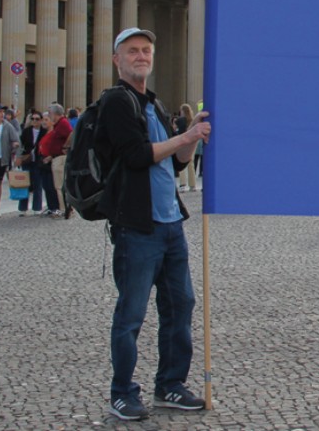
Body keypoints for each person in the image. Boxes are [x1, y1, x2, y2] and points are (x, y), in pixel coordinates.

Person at [95, 28, 210, 421]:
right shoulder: (116, 102)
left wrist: (194, 134)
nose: (141, 56)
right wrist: (185, 137)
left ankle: (170, 385)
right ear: (117, 60)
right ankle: (122, 392)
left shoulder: (154, 104)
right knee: (131, 314)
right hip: (137, 226)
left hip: (171, 223)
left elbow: (177, 163)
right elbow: (137, 156)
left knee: (181, 305)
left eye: (146, 51)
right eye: (132, 51)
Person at [40, 104, 73, 218]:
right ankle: (64, 209)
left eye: (50, 113)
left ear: (55, 113)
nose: (49, 116)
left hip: (60, 158)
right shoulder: (59, 124)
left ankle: (64, 210)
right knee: (59, 185)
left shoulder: (63, 123)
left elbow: (71, 134)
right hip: (55, 157)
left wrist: (65, 146)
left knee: (59, 186)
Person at [0, 103, 21, 218]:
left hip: (0, 159)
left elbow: (16, 139)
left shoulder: (7, 126)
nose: (2, 114)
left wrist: (15, 147)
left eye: (3, 112)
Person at [16, 111, 49, 216]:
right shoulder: (26, 131)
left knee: (37, 185)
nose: (34, 121)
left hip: (38, 161)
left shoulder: (44, 132)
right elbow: (21, 146)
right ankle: (22, 208)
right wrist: (18, 157)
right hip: (27, 160)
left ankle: (37, 207)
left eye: (37, 119)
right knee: (24, 184)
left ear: (40, 120)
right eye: (33, 119)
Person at [175, 104, 197, 192]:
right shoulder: (192, 120)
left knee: (181, 161)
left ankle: (182, 184)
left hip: (183, 142)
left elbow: (174, 128)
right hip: (192, 142)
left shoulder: (180, 120)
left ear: (183, 111)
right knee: (191, 164)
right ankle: (193, 185)